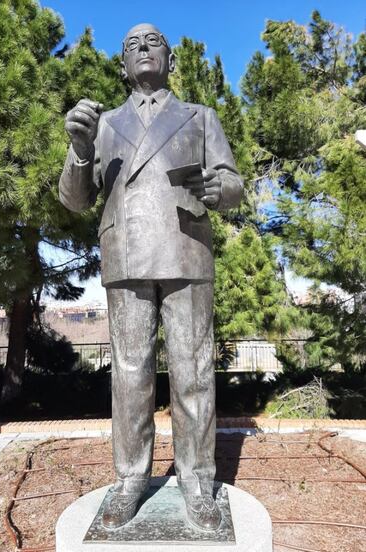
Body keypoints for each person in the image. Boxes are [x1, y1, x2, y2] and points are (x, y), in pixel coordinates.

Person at [59, 23, 243, 532]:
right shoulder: (103, 124)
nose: (143, 47)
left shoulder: (199, 117)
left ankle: (198, 482)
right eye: (132, 44)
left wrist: (218, 188)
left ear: (171, 60)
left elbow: (234, 183)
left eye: (154, 41)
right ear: (123, 65)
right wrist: (78, 150)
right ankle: (128, 480)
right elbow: (75, 200)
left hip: (186, 250)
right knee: (131, 375)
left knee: (193, 371)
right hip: (126, 253)